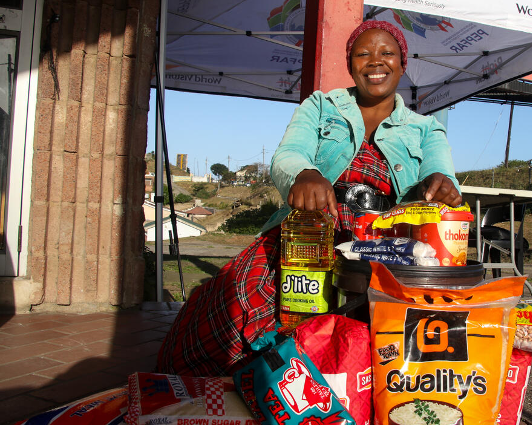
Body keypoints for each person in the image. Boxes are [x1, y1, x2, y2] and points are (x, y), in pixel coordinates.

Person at [155, 20, 462, 377]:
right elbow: (288, 155)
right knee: (235, 299)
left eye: (387, 53)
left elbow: (445, 177)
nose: (375, 61)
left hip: (383, 247)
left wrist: (442, 185)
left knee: (378, 343)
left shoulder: (426, 128)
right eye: (363, 54)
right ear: (350, 65)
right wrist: (305, 174)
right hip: (309, 231)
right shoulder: (320, 106)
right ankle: (242, 388)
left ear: (402, 63)